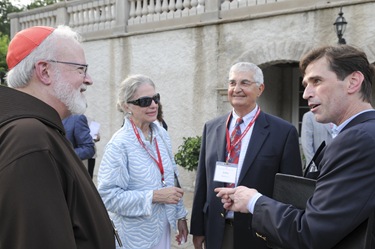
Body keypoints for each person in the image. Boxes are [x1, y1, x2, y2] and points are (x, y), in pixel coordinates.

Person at [215, 45, 375, 249]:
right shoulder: (362, 133)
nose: (306, 94)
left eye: (317, 81)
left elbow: (310, 233)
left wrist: (254, 201)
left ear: (353, 82)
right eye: (306, 84)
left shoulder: (357, 140)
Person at [0, 25, 116, 249]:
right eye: (81, 69)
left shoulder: (40, 130)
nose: (89, 79)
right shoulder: (30, 139)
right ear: (44, 71)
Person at [190, 62, 303, 249]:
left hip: (260, 233)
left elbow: (290, 193)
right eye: (232, 83)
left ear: (260, 89)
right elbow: (203, 182)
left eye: (244, 83)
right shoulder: (212, 128)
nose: (237, 89)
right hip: (217, 231)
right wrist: (198, 228)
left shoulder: (283, 132)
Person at [97, 74, 189, 249]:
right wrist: (154, 196)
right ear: (127, 106)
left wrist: (180, 216)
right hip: (134, 237)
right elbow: (108, 197)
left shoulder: (161, 134)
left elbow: (172, 176)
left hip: (162, 229)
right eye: (145, 101)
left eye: (156, 98)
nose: (154, 105)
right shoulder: (119, 145)